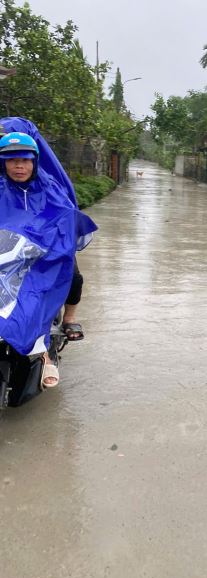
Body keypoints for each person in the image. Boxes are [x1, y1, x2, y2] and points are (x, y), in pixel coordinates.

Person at [0, 131, 97, 388]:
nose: (18, 166)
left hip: (46, 251)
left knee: (73, 277)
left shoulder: (49, 187)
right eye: (11, 160)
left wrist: (56, 241)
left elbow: (66, 216)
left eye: (24, 160)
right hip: (8, 252)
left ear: (34, 162)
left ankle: (64, 323)